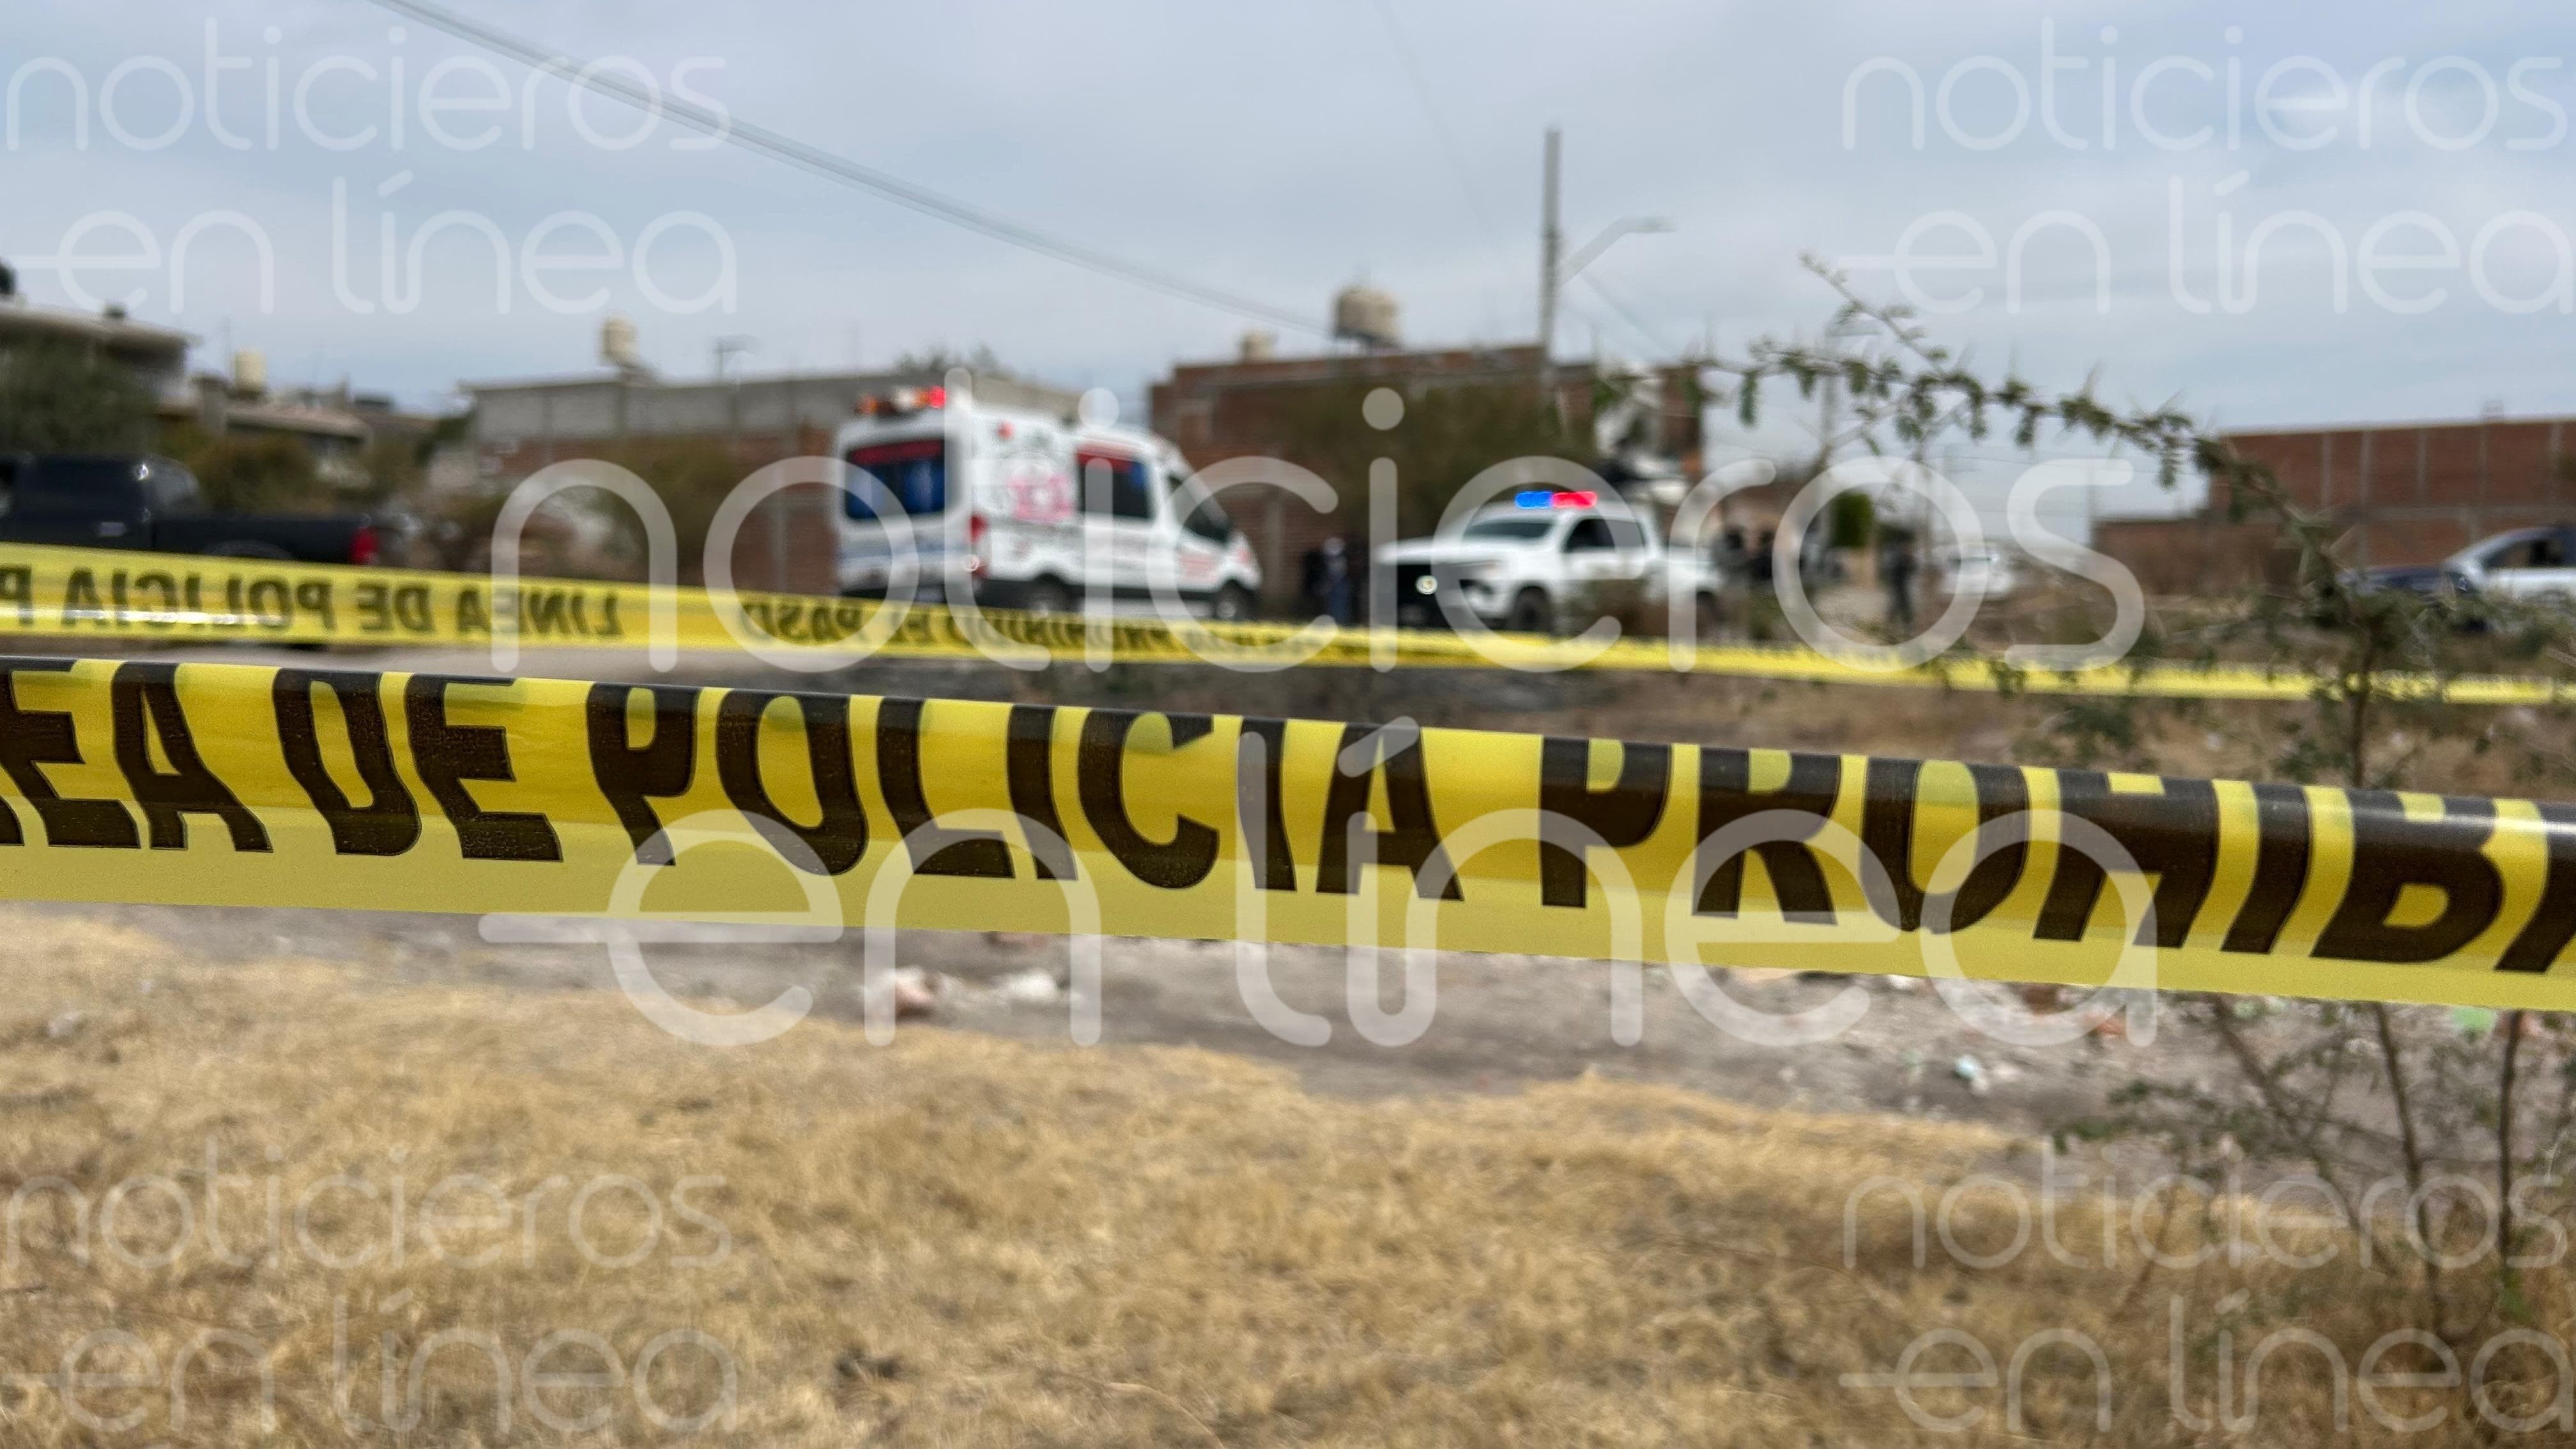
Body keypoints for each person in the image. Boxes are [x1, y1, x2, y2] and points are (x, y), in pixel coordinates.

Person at [1881, 526, 1917, 631]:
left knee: (1899, 603)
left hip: (1902, 582)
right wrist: (1905, 560)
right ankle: (1903, 626)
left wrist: (1909, 561)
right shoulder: (1895, 550)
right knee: (1900, 603)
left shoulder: (1899, 551)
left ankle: (1897, 625)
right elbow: (1891, 567)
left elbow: (1912, 568)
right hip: (1897, 581)